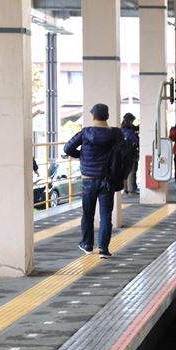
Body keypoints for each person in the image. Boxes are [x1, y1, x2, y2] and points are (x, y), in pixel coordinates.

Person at [64, 103, 120, 258]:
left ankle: (87, 244)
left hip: (89, 179)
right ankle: (103, 249)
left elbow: (67, 148)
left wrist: (80, 155)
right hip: (107, 180)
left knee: (88, 214)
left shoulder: (85, 133)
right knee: (106, 215)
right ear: (106, 117)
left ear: (93, 117)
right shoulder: (115, 134)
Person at [121, 112, 140, 195]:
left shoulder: (121, 130)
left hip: (123, 153)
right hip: (131, 154)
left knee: (124, 172)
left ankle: (125, 189)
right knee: (132, 171)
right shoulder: (130, 131)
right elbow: (136, 142)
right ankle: (132, 188)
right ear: (131, 120)